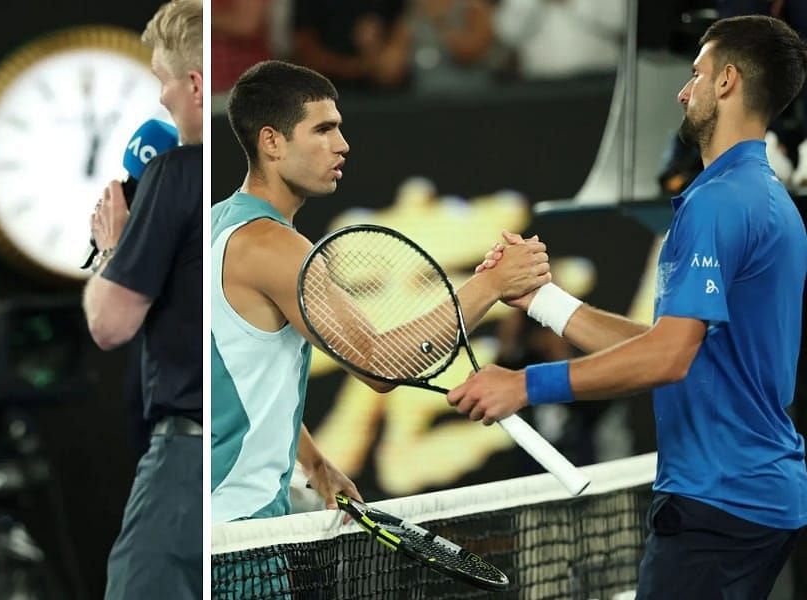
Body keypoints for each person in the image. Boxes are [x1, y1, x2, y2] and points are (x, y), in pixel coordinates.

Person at [454, 15, 807, 598]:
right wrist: (542, 300)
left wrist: (524, 385)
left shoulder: (717, 203)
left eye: (696, 74)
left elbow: (666, 358)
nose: (683, 89)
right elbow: (674, 349)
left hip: (717, 504)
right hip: (753, 498)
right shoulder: (766, 200)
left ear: (727, 83)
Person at [210, 59, 552, 527]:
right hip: (240, 535)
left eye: (340, 128)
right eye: (323, 130)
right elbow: (379, 365)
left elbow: (239, 381)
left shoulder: (216, 227)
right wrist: (490, 284)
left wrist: (312, 462)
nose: (342, 145)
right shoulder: (273, 247)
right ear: (272, 141)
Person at [81, 1, 203, 597]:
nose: (161, 100)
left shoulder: (176, 172)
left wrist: (111, 247)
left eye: (164, 80)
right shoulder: (258, 179)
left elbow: (110, 325)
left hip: (189, 466)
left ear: (195, 84)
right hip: (262, 464)